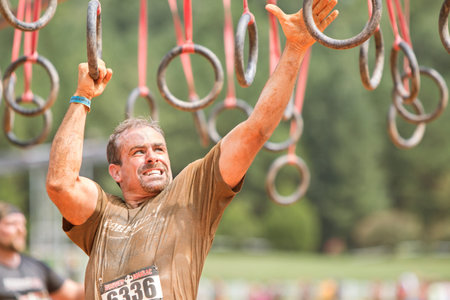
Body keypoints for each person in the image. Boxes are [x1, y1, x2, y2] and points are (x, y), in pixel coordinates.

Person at [46, 0, 339, 299]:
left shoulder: (192, 193)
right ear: (115, 172)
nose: (153, 157)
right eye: (138, 152)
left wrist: (296, 49)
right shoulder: (101, 215)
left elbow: (256, 130)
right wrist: (82, 96)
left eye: (159, 149)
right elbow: (60, 184)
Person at [0, 201, 85, 299]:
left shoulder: (35, 266)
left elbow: (74, 293)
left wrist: (103, 284)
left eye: (22, 224)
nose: (21, 230)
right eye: (12, 224)